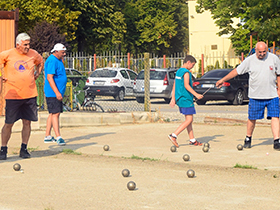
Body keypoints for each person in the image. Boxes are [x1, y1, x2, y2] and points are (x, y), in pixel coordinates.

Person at [216, 41, 280, 150]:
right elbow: (236, 71)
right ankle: (248, 138)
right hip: (255, 96)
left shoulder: (274, 58)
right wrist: (223, 80)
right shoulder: (249, 61)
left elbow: (279, 74)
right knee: (252, 118)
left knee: (275, 116)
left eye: (264, 51)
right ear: (255, 50)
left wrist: (279, 90)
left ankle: (276, 140)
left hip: (272, 94)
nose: (262, 54)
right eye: (260, 52)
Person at [0, 32, 43, 160]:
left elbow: (40, 62)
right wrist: (1, 74)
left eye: (29, 44)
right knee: (9, 123)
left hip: (29, 95)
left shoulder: (33, 54)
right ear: (18, 45)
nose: (27, 47)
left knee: (27, 122)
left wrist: (37, 73)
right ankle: (3, 149)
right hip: (13, 95)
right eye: (25, 44)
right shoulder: (7, 54)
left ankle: (24, 149)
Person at [168, 55, 203, 148]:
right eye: (193, 65)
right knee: (189, 119)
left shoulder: (179, 71)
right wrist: (196, 95)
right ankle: (174, 135)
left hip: (180, 98)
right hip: (186, 99)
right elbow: (187, 86)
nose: (193, 67)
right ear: (188, 62)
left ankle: (192, 140)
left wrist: (173, 98)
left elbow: (175, 84)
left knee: (189, 120)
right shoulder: (186, 73)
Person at [44, 43, 67, 146]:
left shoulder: (59, 60)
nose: (64, 54)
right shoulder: (52, 60)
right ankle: (58, 136)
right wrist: (57, 92)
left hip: (56, 93)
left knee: (52, 113)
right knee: (56, 113)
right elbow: (50, 77)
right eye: (62, 52)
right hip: (53, 93)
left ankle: (48, 136)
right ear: (56, 51)